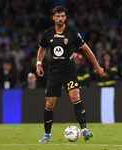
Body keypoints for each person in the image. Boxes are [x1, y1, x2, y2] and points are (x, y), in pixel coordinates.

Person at [36, 6, 104, 142]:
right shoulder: (48, 33)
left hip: (69, 72)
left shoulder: (73, 33)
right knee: (49, 103)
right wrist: (39, 64)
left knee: (75, 96)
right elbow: (42, 49)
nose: (60, 18)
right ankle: (47, 135)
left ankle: (84, 130)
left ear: (65, 17)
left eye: (62, 16)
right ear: (53, 18)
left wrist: (97, 66)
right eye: (58, 16)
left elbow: (86, 49)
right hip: (54, 72)